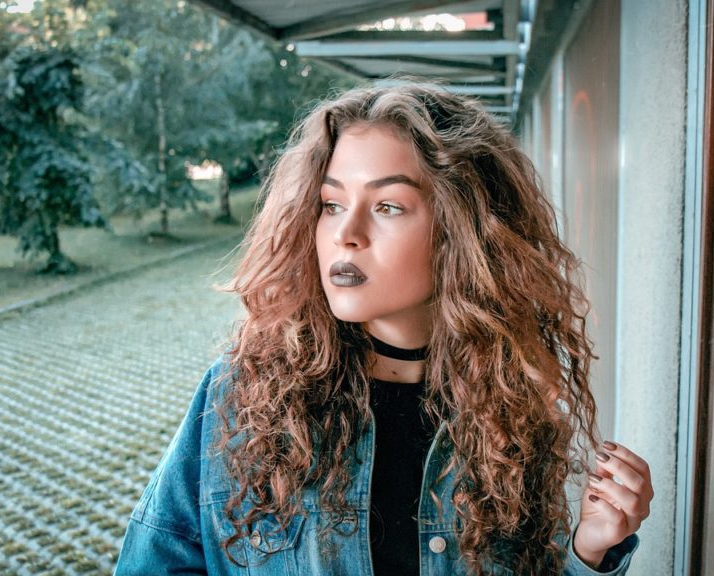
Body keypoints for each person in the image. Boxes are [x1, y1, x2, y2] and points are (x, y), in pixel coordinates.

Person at [114, 83, 653, 575]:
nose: (345, 234)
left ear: (462, 232)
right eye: (331, 204)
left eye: (389, 205)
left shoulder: (508, 411)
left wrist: (589, 551)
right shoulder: (241, 396)